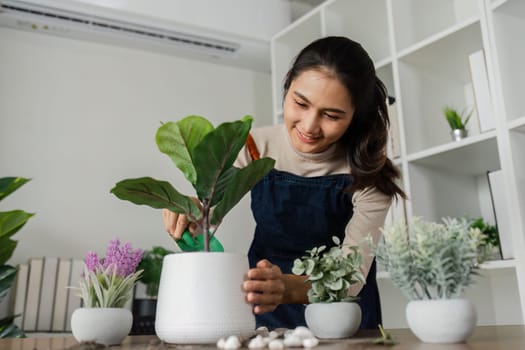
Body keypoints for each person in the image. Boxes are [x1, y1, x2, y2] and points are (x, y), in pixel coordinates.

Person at [162, 36, 406, 330]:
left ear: (356, 117)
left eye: (331, 115)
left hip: (340, 310)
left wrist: (288, 288)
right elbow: (207, 211)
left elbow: (351, 276)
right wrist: (187, 211)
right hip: (266, 301)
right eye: (300, 103)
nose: (309, 126)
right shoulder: (253, 147)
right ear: (287, 87)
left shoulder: (370, 175)